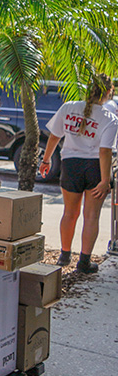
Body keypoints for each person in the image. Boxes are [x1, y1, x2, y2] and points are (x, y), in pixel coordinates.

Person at [39, 73, 117, 273]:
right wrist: (105, 180)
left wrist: (46, 160)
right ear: (109, 92)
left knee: (69, 213)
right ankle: (84, 262)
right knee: (91, 216)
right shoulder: (109, 118)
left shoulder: (68, 107)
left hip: (70, 165)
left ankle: (64, 256)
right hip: (95, 168)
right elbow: (105, 151)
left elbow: (54, 136)